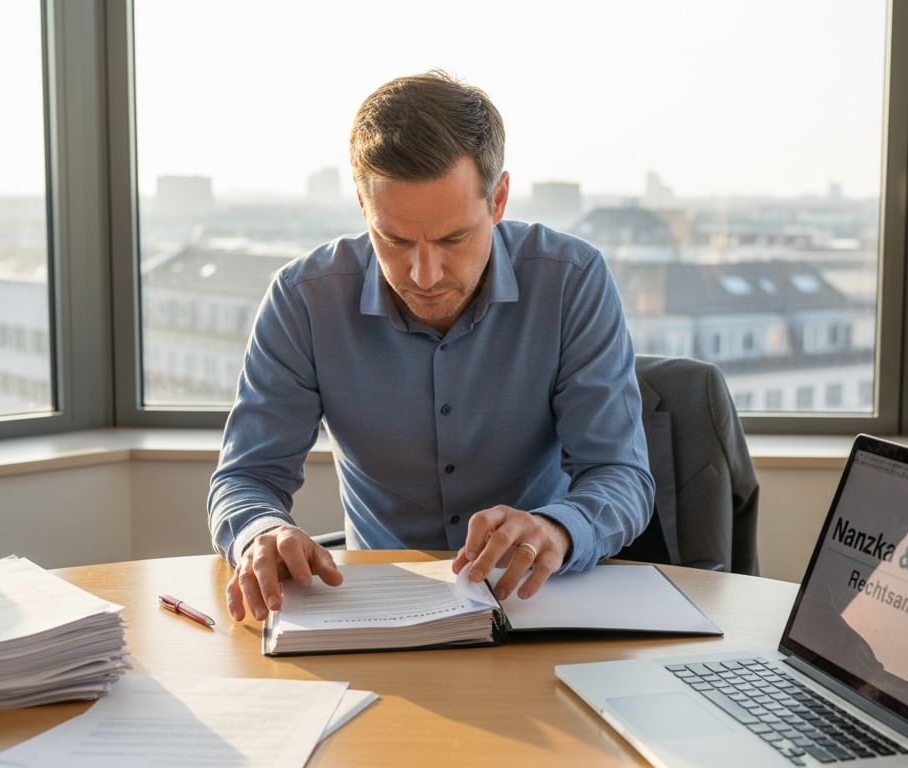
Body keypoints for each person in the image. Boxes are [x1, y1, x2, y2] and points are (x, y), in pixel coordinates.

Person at [208, 71, 654, 622]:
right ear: (363, 207)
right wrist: (261, 531)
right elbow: (246, 477)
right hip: (378, 614)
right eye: (394, 240)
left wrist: (557, 526)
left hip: (533, 601)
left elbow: (621, 474)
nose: (423, 274)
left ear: (499, 200)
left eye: (452, 239)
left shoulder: (571, 280)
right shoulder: (304, 300)